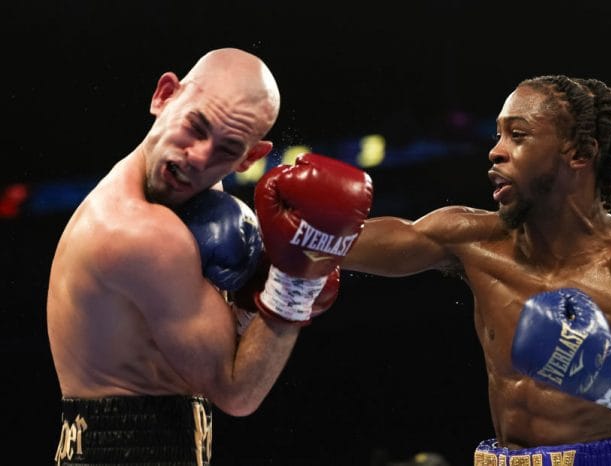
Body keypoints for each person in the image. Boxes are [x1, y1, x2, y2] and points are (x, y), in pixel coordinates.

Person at [343, 75, 611, 465]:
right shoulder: (471, 239)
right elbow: (346, 244)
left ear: (579, 154)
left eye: (517, 135)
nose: (495, 151)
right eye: (498, 135)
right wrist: (311, 222)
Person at [47, 48, 372, 465]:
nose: (199, 157)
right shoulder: (141, 231)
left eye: (227, 148)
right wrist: (296, 283)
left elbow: (215, 337)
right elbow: (237, 393)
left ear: (249, 158)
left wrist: (261, 293)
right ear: (164, 96)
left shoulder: (196, 198)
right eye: (195, 126)